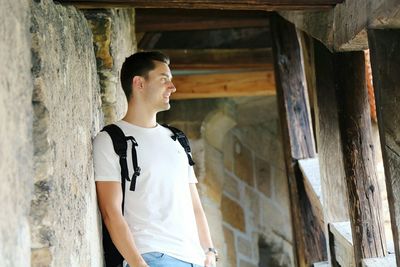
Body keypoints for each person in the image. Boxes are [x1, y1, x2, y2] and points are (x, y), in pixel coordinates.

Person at [93, 51, 217, 267]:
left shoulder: (177, 140)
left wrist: (209, 252)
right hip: (153, 256)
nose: (172, 87)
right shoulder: (112, 140)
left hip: (195, 258)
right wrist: (138, 263)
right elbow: (110, 212)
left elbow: (195, 205)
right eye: (164, 80)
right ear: (139, 83)